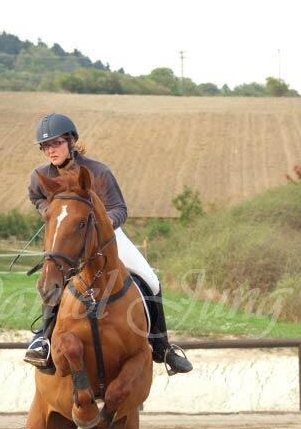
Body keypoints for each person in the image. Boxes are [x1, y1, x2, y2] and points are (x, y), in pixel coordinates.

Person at [24, 113, 192, 375]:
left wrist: (101, 224)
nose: (51, 150)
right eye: (46, 146)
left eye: (56, 143)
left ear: (71, 141)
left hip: (107, 236)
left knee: (151, 279)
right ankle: (43, 341)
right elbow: (35, 196)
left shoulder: (98, 172)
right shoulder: (40, 176)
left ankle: (162, 347)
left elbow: (119, 209)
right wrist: (49, 211)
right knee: (51, 279)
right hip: (69, 237)